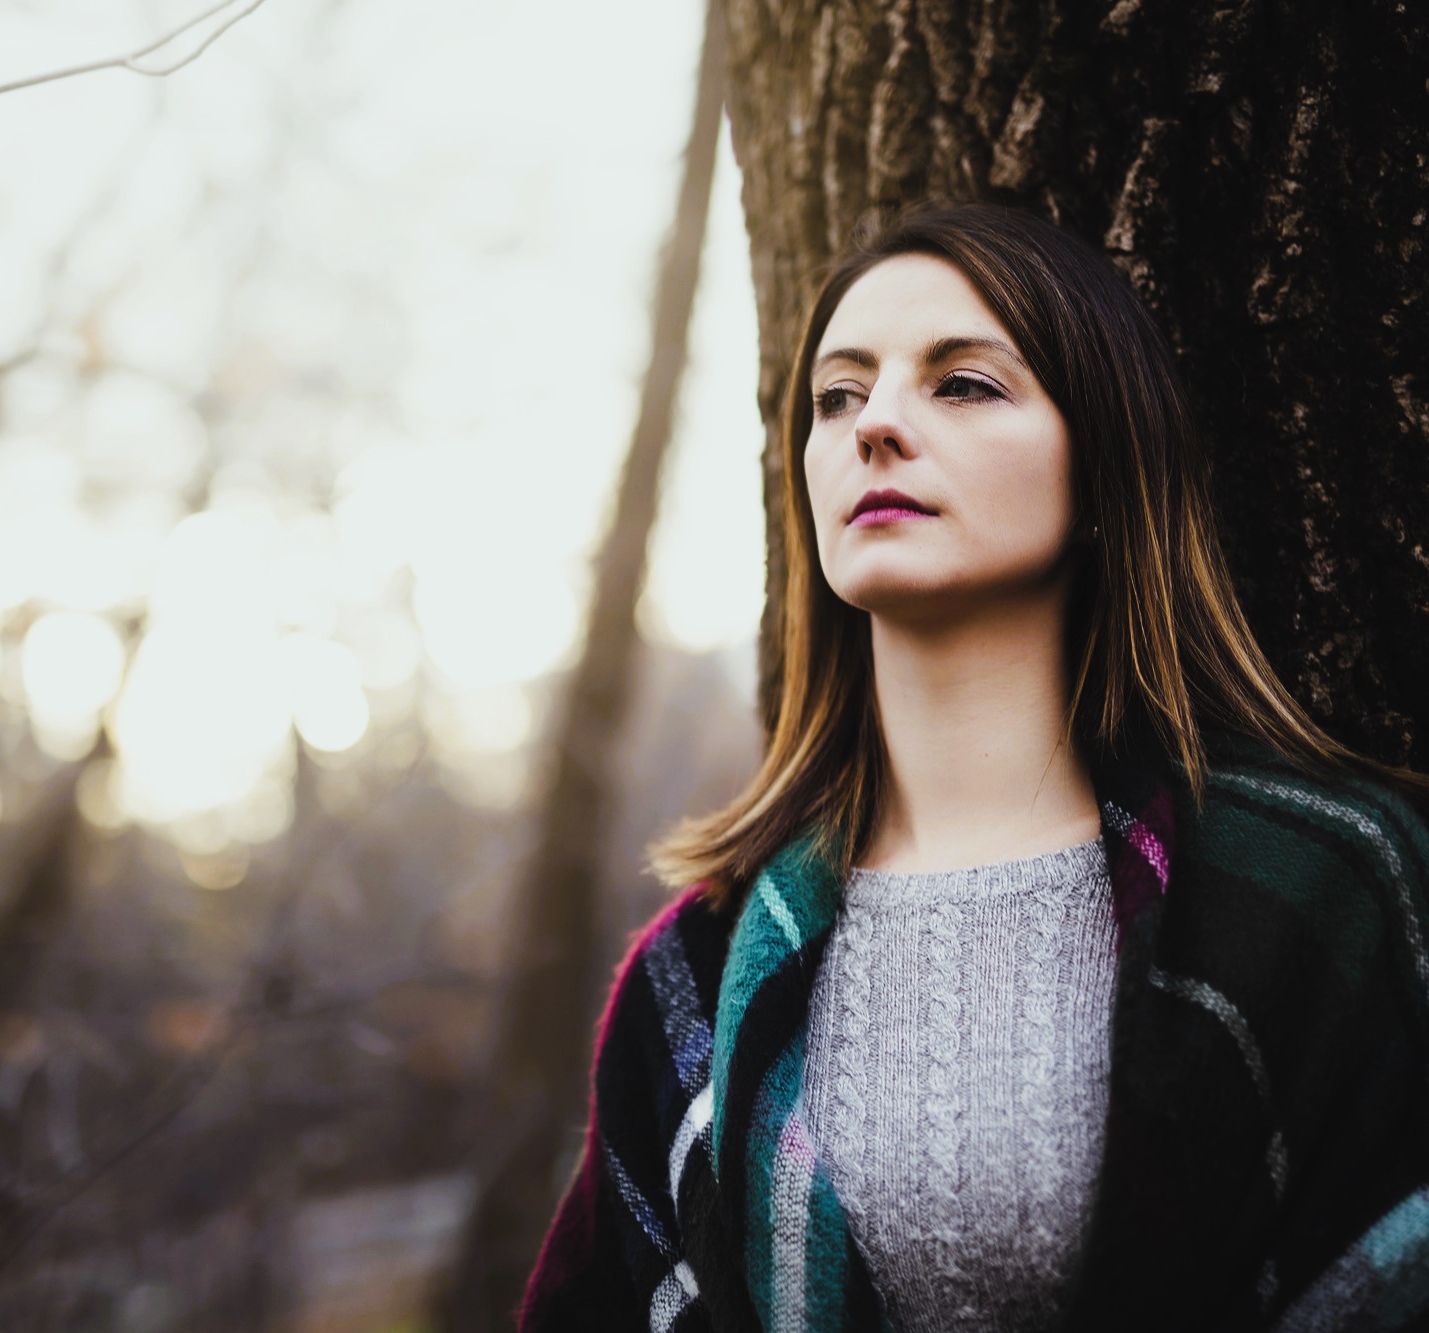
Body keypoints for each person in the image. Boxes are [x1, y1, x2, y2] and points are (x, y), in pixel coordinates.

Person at [518, 202, 1429, 1331]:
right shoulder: (692, 975)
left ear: (1102, 466)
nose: (874, 427)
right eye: (837, 395)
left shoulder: (1323, 889)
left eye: (960, 384)